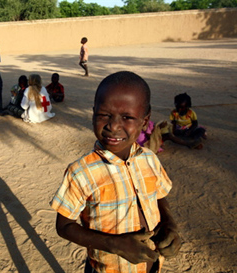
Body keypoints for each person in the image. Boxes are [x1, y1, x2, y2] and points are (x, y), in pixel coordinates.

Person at [50, 71, 181, 273]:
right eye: (104, 115)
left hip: (153, 266)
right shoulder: (81, 172)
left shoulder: (149, 159)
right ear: (93, 112)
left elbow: (159, 195)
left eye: (127, 117)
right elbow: (64, 226)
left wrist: (169, 223)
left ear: (145, 121)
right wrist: (114, 244)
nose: (113, 126)